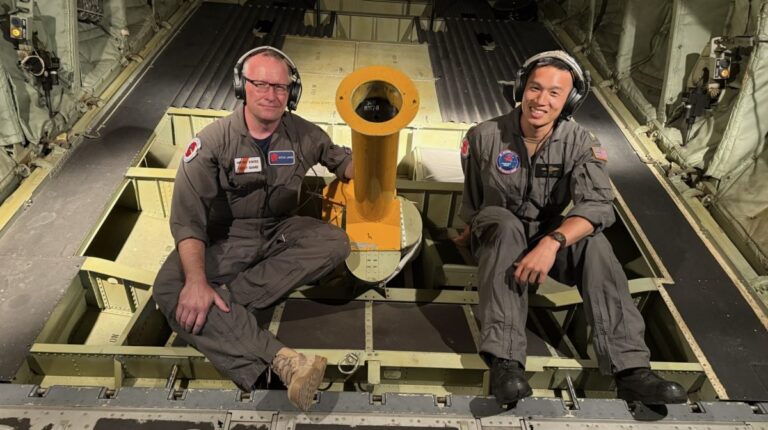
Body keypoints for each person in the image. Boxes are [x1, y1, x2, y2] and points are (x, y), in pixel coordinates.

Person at [457, 50, 687, 405]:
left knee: (594, 244)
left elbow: (597, 204)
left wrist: (551, 243)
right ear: (521, 88)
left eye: (554, 93)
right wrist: (470, 232)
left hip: (545, 233)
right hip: (497, 233)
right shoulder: (483, 137)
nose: (541, 100)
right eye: (535, 88)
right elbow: (474, 201)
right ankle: (506, 362)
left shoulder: (579, 143)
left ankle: (630, 369)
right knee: (503, 223)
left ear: (569, 100)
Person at [152, 46, 354, 411]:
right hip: (226, 238)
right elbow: (188, 220)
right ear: (241, 86)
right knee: (170, 289)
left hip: (281, 230)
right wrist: (197, 280)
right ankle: (283, 363)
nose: (271, 94)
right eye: (259, 83)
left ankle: (223, 303)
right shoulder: (211, 142)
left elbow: (341, 161)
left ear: (291, 93)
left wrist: (367, 162)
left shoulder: (304, 134)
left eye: (280, 87)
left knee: (335, 242)